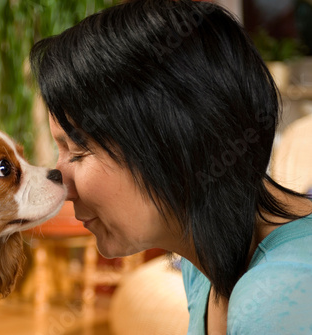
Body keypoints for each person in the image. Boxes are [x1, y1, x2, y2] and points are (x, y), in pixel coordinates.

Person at [29, 0, 312, 334]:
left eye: (78, 151)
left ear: (176, 138)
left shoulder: (278, 299)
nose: (63, 189)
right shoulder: (203, 260)